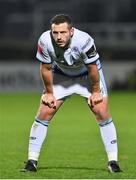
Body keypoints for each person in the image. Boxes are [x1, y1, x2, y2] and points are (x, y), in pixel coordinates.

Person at [22, 14, 122, 173]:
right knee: (44, 112)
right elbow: (46, 68)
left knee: (101, 111)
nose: (59, 37)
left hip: (87, 76)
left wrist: (96, 92)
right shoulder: (44, 40)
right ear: (51, 31)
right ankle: (31, 162)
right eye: (55, 33)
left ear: (72, 31)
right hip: (62, 75)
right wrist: (49, 93)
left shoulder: (85, 40)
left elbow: (93, 68)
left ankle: (113, 162)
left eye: (63, 32)